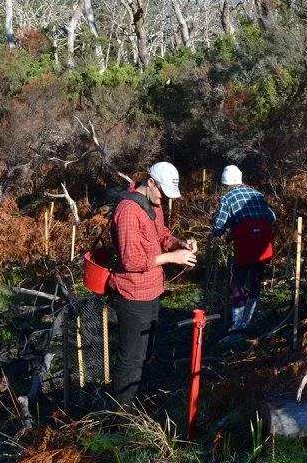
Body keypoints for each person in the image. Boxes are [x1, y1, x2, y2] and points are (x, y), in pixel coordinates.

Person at [106, 161, 197, 407]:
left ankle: (133, 399)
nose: (164, 199)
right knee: (131, 358)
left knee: (145, 353)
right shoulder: (127, 211)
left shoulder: (153, 205)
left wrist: (179, 244)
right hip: (132, 293)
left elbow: (162, 235)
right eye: (163, 193)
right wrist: (171, 258)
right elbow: (131, 260)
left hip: (152, 290)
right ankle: (119, 414)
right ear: (151, 183)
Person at [211, 165, 275, 342]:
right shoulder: (257, 194)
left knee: (237, 284)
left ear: (225, 182)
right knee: (255, 282)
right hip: (262, 245)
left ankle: (237, 325)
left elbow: (219, 226)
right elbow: (272, 217)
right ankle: (249, 320)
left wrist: (218, 231)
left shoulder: (227, 197)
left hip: (245, 246)